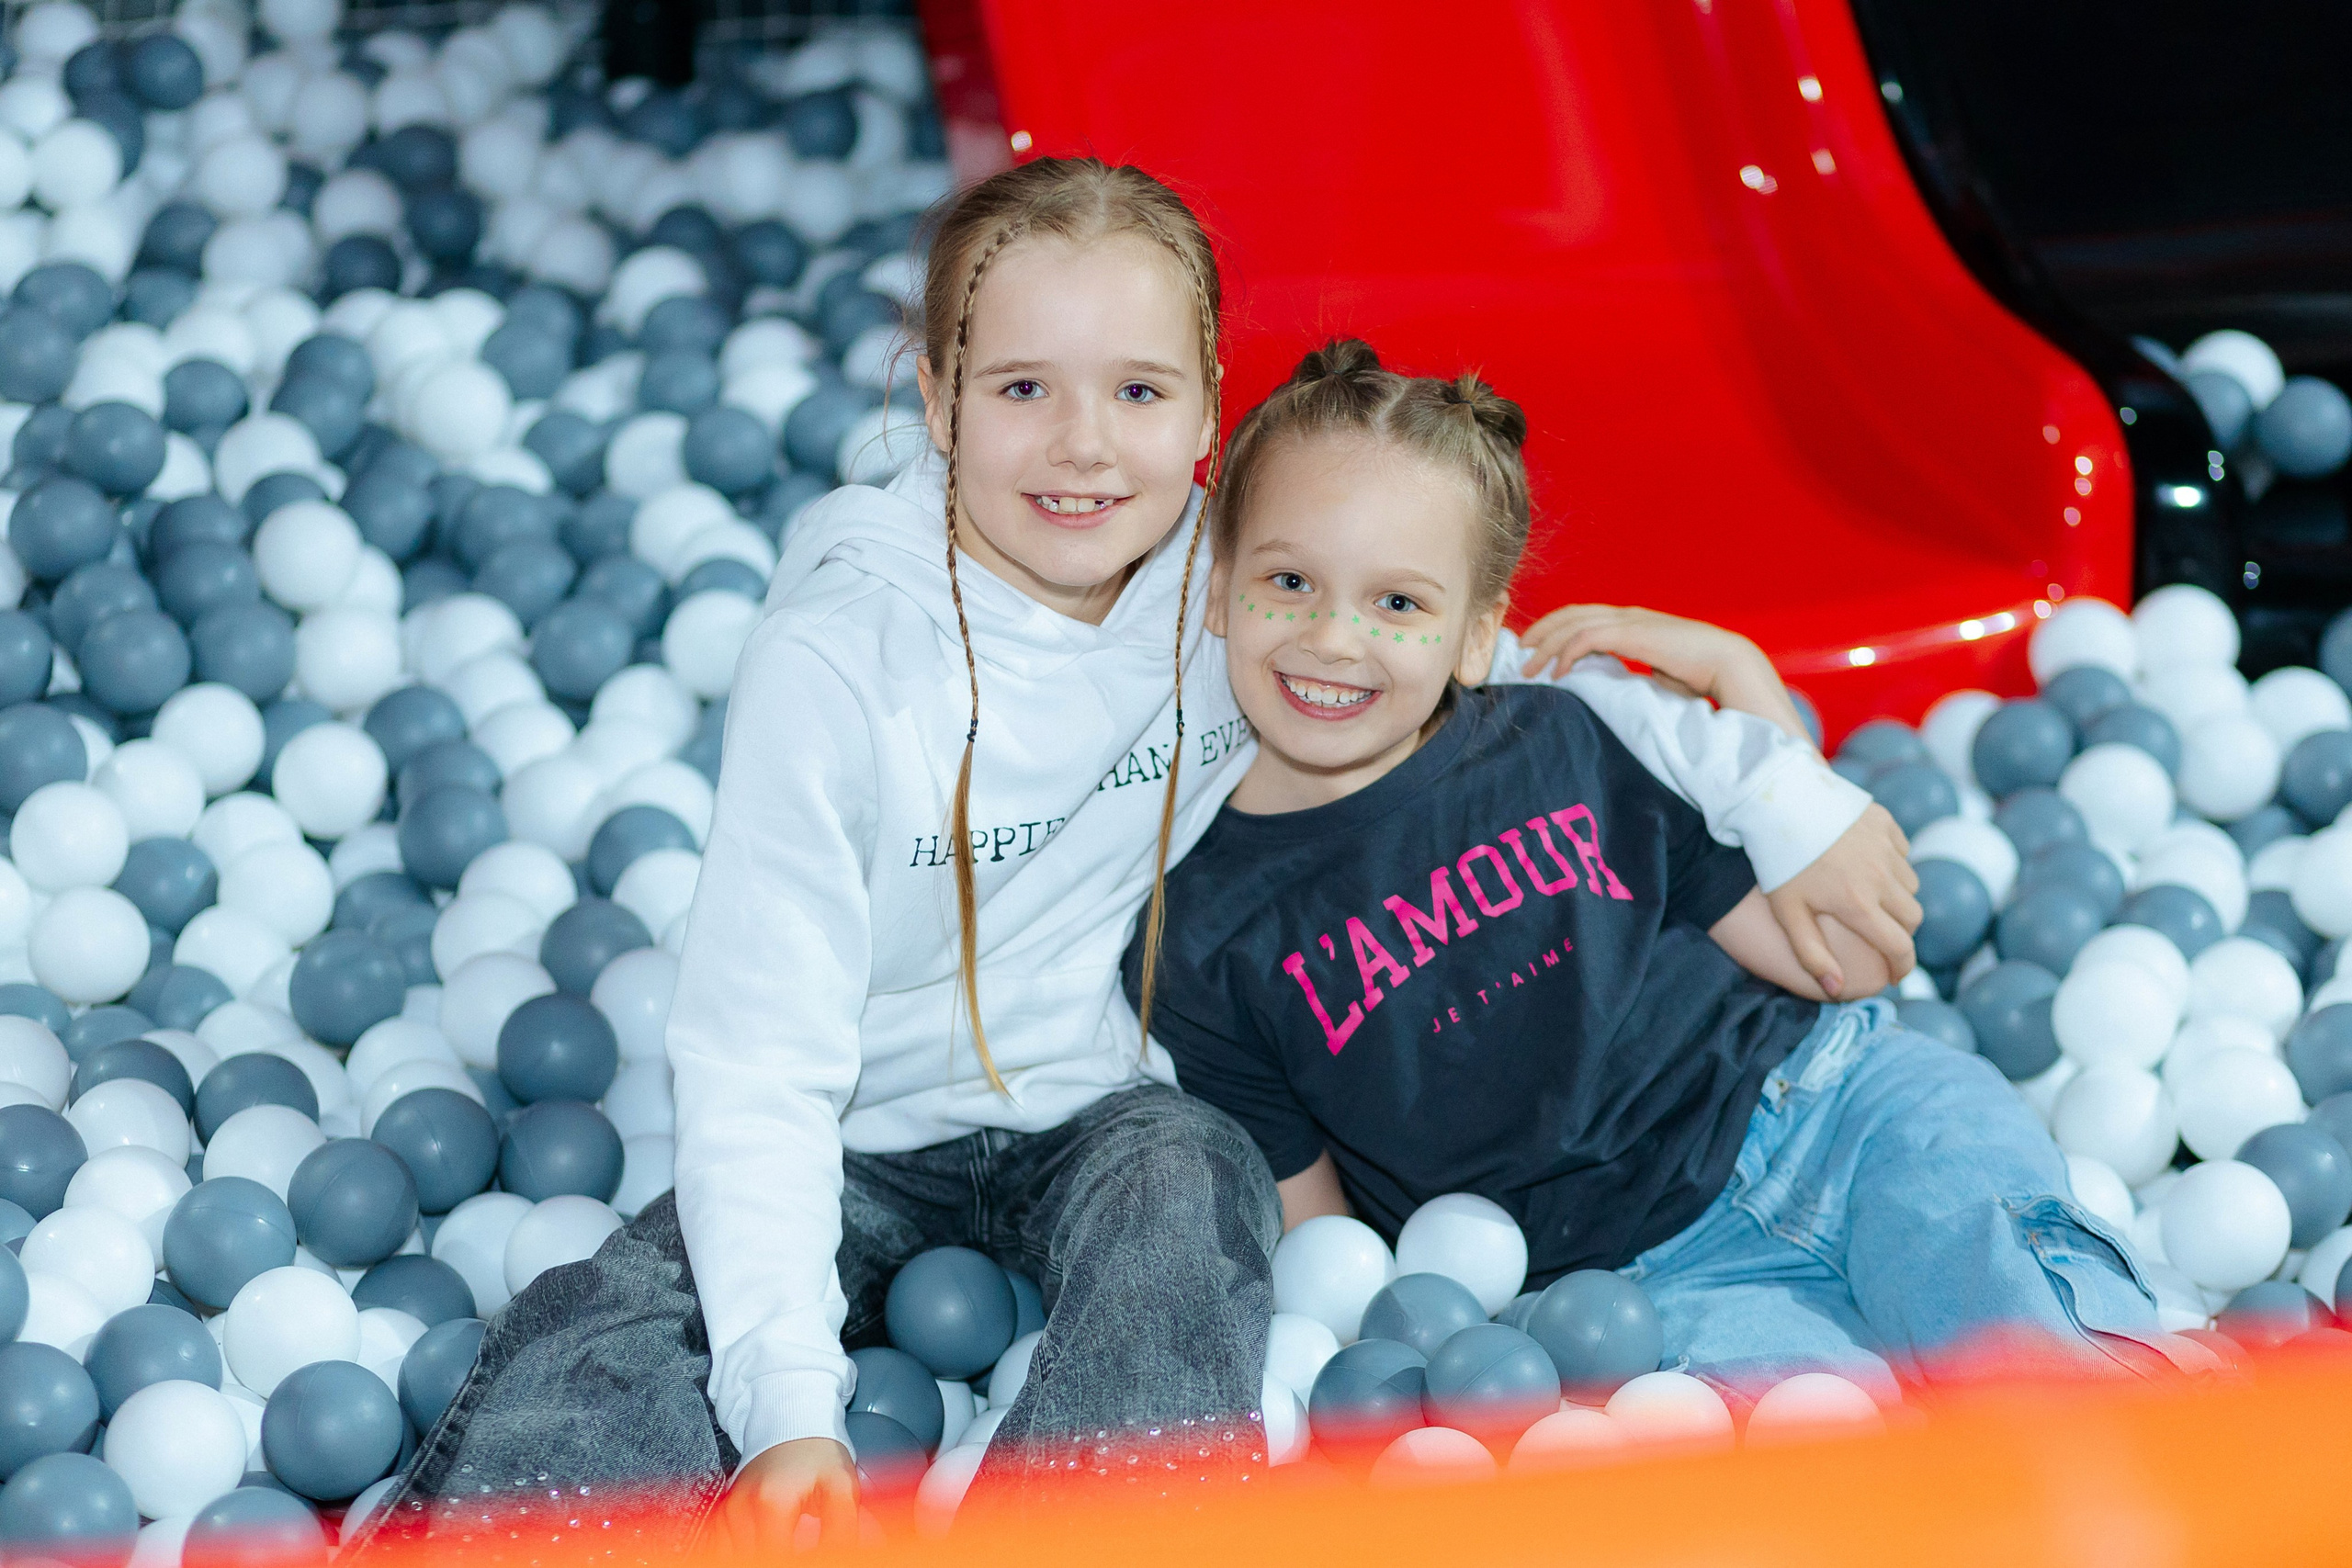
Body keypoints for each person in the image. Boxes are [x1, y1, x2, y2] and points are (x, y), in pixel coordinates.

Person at [354, 161, 1914, 1557]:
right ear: (936, 390)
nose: (1086, 449)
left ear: (1212, 408)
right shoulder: (841, 666)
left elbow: (1444, 651)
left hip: (1107, 1102)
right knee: (639, 1310)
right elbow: (757, 1060)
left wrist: (1761, 756)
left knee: (1192, 1196)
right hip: (851, 1117)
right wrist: (791, 1412)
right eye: (1023, 388)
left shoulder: (1241, 585)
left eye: (1141, 394)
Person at [1131, 339, 2202, 1409]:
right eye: (1288, 581)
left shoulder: (1561, 742)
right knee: (1836, 1474)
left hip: (1835, 1112)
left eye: (1399, 604)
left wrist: (1742, 680)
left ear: (1474, 636)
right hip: (1637, 1287)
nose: (1334, 636)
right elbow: (1329, 1253)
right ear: (1218, 590)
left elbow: (1847, 963)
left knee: (2034, 1344)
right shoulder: (1199, 934)